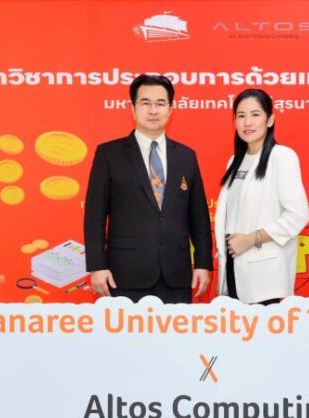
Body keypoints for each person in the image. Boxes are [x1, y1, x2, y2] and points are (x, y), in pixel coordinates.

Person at [84, 74, 213, 303]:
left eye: (160, 103)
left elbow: (199, 218)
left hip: (177, 277)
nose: (153, 110)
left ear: (170, 109)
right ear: (132, 109)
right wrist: (97, 266)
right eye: (145, 103)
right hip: (124, 276)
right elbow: (95, 215)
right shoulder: (109, 154)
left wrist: (203, 263)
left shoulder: (186, 156)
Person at [214, 88, 309, 305]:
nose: (247, 122)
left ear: (270, 119)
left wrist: (250, 239)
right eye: (241, 116)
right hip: (232, 268)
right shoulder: (234, 161)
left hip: (265, 275)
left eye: (255, 114)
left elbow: (298, 215)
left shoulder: (282, 157)